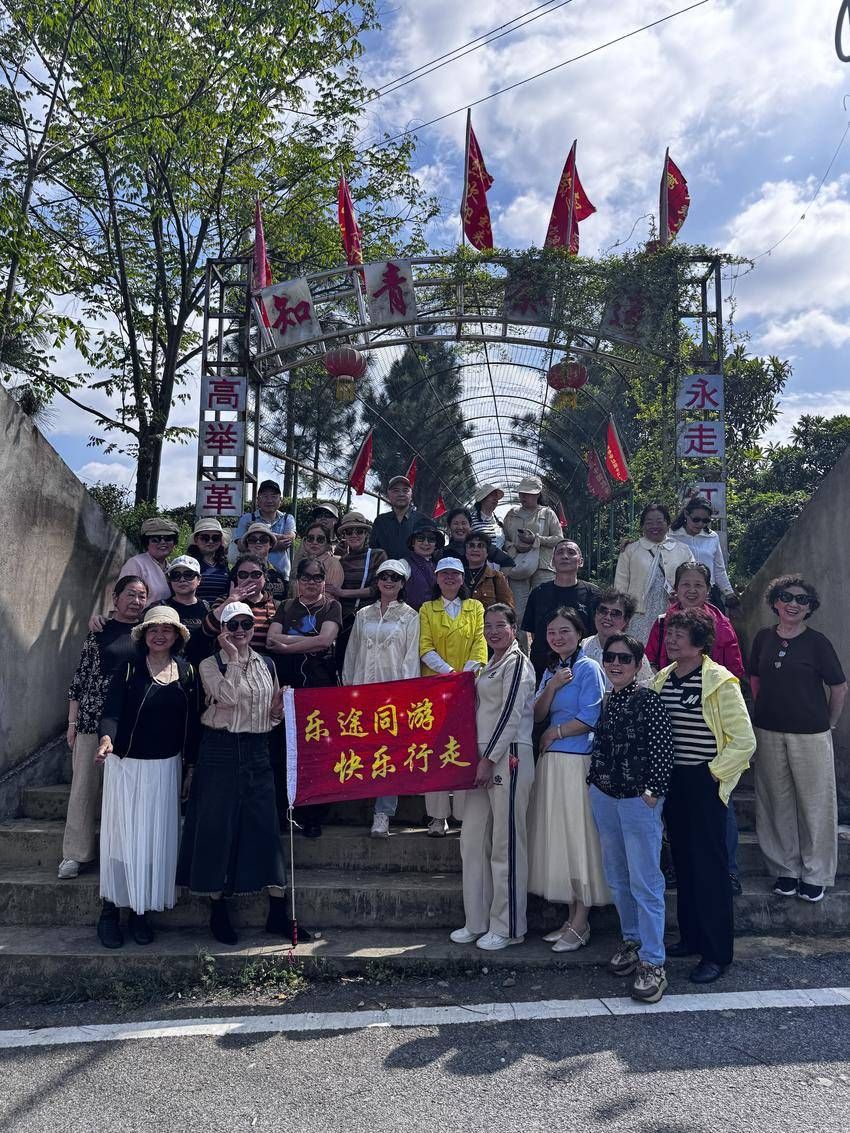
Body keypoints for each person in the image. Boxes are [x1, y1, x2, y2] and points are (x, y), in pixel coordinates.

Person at [177, 601, 308, 946]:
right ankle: (217, 907)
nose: (239, 631)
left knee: (265, 826)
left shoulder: (267, 663)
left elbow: (271, 715)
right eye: (232, 625)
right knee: (217, 828)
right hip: (220, 750)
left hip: (257, 749)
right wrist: (233, 658)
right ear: (222, 629)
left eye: (246, 624)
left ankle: (278, 911)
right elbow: (227, 698)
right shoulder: (209, 664)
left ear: (253, 627)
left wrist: (277, 710)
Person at [652, 609, 755, 983]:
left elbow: (744, 741)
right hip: (673, 781)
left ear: (699, 642)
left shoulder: (720, 681)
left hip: (705, 780)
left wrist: (713, 774)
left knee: (710, 868)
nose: (671, 639)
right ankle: (692, 936)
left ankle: (716, 953)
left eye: (680, 634)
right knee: (683, 862)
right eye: (670, 633)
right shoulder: (663, 679)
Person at [94, 606, 200, 948]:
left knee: (153, 841)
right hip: (126, 765)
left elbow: (193, 725)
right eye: (153, 629)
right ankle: (110, 911)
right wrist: (106, 739)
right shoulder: (129, 668)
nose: (159, 635)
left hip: (165, 768)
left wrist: (190, 767)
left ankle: (141, 912)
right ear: (144, 635)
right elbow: (111, 711)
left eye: (167, 630)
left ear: (177, 636)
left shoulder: (187, 672)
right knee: (120, 839)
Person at [645, 561, 745, 894]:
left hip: (708, 754)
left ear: (708, 589)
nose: (691, 590)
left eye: (698, 585)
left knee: (720, 816)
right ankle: (678, 867)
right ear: (675, 589)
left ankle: (728, 871)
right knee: (676, 823)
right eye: (685, 584)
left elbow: (733, 669)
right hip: (673, 739)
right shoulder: (664, 623)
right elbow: (650, 659)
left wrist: (714, 772)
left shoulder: (722, 625)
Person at [748, 576, 848, 903]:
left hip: (811, 734)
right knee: (775, 801)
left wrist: (829, 723)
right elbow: (755, 677)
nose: (793, 603)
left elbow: (838, 688)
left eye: (802, 600)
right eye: (786, 596)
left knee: (815, 805)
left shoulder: (817, 643)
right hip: (769, 731)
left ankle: (816, 874)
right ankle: (786, 870)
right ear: (775, 601)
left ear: (809, 608)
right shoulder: (763, 638)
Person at [588, 634, 675, 1003]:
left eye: (625, 659)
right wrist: (594, 782)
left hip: (639, 800)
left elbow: (663, 751)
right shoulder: (609, 699)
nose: (616, 664)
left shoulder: (648, 699)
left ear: (638, 665)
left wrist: (652, 793)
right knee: (617, 877)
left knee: (645, 880)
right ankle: (633, 940)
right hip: (606, 797)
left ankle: (654, 961)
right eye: (610, 657)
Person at [450, 604, 537, 951]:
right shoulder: (487, 666)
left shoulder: (518, 663)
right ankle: (477, 920)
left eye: (501, 625)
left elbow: (511, 714)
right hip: (479, 760)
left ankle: (509, 926)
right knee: (471, 840)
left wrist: (489, 759)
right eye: (488, 626)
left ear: (514, 628)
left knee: (506, 843)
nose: (493, 631)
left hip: (508, 755)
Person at [526, 608, 608, 952]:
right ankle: (571, 917)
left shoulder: (589, 667)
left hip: (577, 761)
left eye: (564, 631)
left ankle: (581, 920)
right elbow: (537, 713)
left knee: (578, 838)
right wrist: (553, 685)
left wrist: (555, 733)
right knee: (559, 838)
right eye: (552, 632)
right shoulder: (551, 670)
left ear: (578, 633)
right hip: (553, 762)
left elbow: (591, 716)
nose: (557, 638)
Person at [59, 576, 149, 881]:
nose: (136, 601)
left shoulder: (147, 633)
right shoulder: (99, 631)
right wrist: (72, 722)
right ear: (116, 598)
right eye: (130, 594)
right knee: (84, 787)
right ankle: (75, 853)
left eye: (142, 596)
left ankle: (120, 853)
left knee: (125, 791)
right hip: (92, 718)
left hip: (130, 720)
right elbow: (80, 677)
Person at [342, 559, 420, 837]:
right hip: (363, 690)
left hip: (393, 694)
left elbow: (411, 657)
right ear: (377, 580)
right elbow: (352, 653)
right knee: (364, 748)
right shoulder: (363, 614)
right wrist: (349, 687)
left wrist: (406, 694)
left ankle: (383, 813)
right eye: (384, 576)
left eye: (395, 578)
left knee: (388, 753)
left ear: (402, 584)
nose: (389, 581)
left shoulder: (411, 616)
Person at [267, 557, 343, 838]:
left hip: (319, 687)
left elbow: (325, 640)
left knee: (317, 752)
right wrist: (306, 644)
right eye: (306, 578)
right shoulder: (286, 606)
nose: (312, 583)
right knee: (284, 751)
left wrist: (287, 645)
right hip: (288, 686)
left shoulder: (332, 607)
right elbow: (271, 639)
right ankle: (284, 812)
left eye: (317, 578)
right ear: (298, 580)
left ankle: (314, 816)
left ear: (324, 580)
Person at [419, 557, 488, 835]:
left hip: (469, 687)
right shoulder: (427, 609)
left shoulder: (475, 607)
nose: (449, 578)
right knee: (435, 749)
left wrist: (465, 675)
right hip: (435, 688)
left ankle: (463, 813)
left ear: (462, 579)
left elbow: (480, 643)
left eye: (455, 574)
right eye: (444, 573)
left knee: (463, 748)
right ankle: (437, 817)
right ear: (436, 578)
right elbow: (425, 647)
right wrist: (450, 674)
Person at [614, 502, 694, 644]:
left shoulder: (682, 550)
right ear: (642, 526)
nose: (654, 526)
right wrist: (620, 615)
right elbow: (620, 586)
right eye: (649, 522)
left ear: (668, 523)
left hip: (673, 612)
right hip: (638, 614)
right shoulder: (630, 550)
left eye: (659, 521)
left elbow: (692, 578)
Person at [521, 539, 599, 681]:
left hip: (581, 667)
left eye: (571, 552)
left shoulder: (593, 594)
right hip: (542, 667)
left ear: (581, 561)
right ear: (552, 562)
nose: (565, 556)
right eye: (560, 552)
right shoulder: (538, 593)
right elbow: (533, 632)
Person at [328, 511, 386, 675]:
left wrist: (342, 592)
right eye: (349, 531)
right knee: (344, 665)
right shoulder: (340, 560)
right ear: (343, 535)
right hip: (344, 621)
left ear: (366, 533)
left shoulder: (377, 555)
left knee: (367, 666)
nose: (354, 535)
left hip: (369, 620)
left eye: (359, 531)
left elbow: (376, 589)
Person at [501, 475, 563, 619]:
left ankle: (543, 634)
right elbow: (503, 540)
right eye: (522, 493)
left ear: (538, 494)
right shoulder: (511, 514)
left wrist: (536, 539)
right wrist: (514, 546)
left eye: (528, 493)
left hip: (543, 567)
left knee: (545, 608)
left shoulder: (547, 513)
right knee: (518, 610)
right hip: (518, 566)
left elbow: (559, 539)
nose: (524, 496)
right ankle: (520, 635)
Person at [670, 496, 737, 610]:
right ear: (686, 514)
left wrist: (729, 594)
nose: (700, 524)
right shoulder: (671, 535)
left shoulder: (712, 537)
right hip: (681, 595)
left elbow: (719, 569)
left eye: (705, 521)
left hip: (708, 594)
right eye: (696, 519)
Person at [204, 555, 278, 654]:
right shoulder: (224, 600)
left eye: (255, 574)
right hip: (229, 660)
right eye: (243, 575)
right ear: (237, 578)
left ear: (265, 577)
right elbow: (207, 629)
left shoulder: (276, 606)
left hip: (264, 662)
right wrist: (231, 601)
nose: (249, 579)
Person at [580, 589, 654, 689]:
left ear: (626, 621)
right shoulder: (584, 645)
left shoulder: (633, 651)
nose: (607, 617)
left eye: (615, 613)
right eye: (603, 610)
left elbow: (647, 685)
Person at [230, 479, 296, 578]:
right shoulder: (247, 518)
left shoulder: (287, 518)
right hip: (251, 576)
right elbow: (241, 546)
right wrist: (276, 543)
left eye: (274, 496)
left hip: (281, 577)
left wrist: (255, 539)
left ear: (280, 500)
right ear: (258, 500)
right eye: (265, 496)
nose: (269, 500)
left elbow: (288, 540)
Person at [162, 556, 213, 667]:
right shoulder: (161, 607)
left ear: (199, 579)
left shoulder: (207, 608)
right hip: (170, 669)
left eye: (188, 575)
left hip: (203, 669)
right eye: (175, 575)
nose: (182, 580)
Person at [119, 516, 179, 603]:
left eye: (168, 539)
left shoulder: (172, 568)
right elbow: (124, 600)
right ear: (146, 543)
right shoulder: (136, 564)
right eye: (156, 539)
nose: (163, 542)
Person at [287, 521, 344, 597]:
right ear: (305, 542)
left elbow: (329, 595)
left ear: (327, 544)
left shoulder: (333, 563)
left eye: (320, 539)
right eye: (310, 538)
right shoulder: (302, 561)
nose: (314, 542)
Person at [370, 474, 420, 559]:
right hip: (385, 567)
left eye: (405, 490)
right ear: (388, 495)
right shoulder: (380, 521)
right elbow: (373, 551)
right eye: (396, 491)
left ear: (411, 495)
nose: (401, 494)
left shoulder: (422, 521)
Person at [464, 531, 514, 611]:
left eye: (480, 546)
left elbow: (507, 609)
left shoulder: (497, 577)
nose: (475, 549)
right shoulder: (458, 576)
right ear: (466, 552)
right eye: (471, 545)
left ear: (487, 553)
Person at [237, 522, 288, 600]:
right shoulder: (237, 571)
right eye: (252, 540)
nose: (258, 542)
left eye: (263, 539)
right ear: (247, 545)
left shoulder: (278, 575)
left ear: (270, 544)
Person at [403, 516, 444, 611]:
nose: (426, 543)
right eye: (420, 538)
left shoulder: (439, 567)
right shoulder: (404, 564)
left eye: (431, 539)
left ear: (436, 544)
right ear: (413, 542)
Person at [187, 518, 230, 603]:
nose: (210, 541)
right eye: (205, 538)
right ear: (196, 540)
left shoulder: (224, 566)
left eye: (215, 538)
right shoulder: (188, 564)